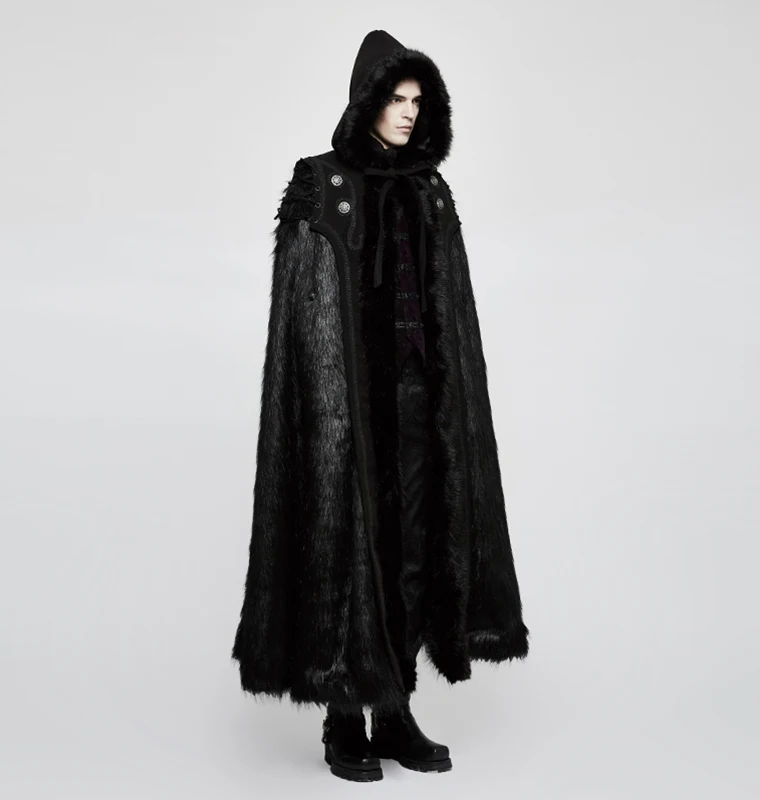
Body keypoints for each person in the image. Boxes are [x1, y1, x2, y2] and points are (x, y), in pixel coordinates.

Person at [232, 29, 530, 782]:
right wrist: (327, 407)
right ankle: (344, 718)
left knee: (415, 549)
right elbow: (300, 318)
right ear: (365, 101)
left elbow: (453, 313)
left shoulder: (430, 189)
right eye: (395, 99)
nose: (406, 113)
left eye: (417, 101)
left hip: (420, 404)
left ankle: (396, 712)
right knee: (344, 546)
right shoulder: (321, 182)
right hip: (348, 405)